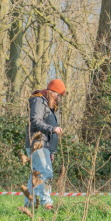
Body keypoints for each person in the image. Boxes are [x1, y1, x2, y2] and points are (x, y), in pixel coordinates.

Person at [24, 79, 66, 209]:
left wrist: (52, 151)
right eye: (58, 94)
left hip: (44, 145)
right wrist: (52, 129)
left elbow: (50, 130)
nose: (59, 98)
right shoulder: (38, 100)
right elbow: (35, 121)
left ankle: (29, 204)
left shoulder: (49, 105)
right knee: (46, 172)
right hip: (37, 143)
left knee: (36, 175)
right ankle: (46, 202)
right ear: (51, 91)